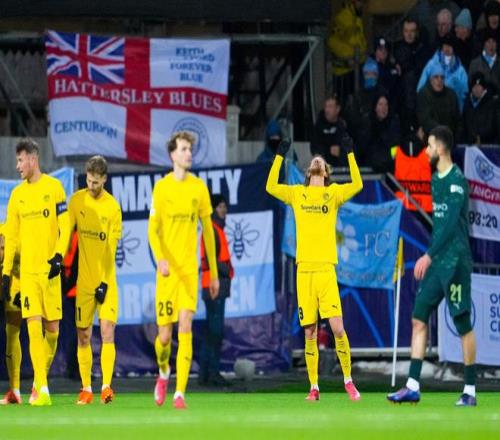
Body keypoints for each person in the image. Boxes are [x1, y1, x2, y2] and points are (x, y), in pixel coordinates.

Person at [266, 137, 363, 402]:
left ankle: (348, 381)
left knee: (338, 328)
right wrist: (279, 156)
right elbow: (271, 186)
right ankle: (314, 387)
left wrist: (350, 153)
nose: (317, 160)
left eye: (321, 161)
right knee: (309, 331)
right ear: (309, 172)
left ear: (326, 172)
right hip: (304, 272)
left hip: (326, 271)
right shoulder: (298, 193)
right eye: (314, 160)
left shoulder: (333, 194)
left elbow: (357, 184)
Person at [387, 125, 477, 407]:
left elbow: (449, 226)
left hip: (456, 262)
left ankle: (470, 390)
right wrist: (432, 257)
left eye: (429, 145)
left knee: (462, 323)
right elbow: (439, 226)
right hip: (438, 263)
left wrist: (427, 255)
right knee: (418, 318)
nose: (425, 151)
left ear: (440, 148)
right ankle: (412, 386)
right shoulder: (435, 179)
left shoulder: (457, 181)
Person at [148, 131, 219, 409]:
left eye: (190, 149)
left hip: (189, 272)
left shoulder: (198, 188)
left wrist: (213, 273)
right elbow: (152, 231)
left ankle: (179, 393)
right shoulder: (161, 188)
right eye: (184, 149)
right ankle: (164, 371)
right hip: (167, 274)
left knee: (186, 326)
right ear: (172, 154)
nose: (189, 153)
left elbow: (209, 233)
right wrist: (160, 259)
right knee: (164, 337)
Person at [1, 138, 70, 406]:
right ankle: (43, 391)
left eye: (20, 160)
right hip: (28, 274)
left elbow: (65, 224)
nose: (17, 166)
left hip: (50, 272)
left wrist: (59, 255)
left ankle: (38, 383)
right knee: (33, 326)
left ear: (33, 159)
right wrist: (6, 273)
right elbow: (11, 238)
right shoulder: (17, 195)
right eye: (17, 161)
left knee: (52, 332)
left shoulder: (54, 188)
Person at [67, 155, 122, 405]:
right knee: (84, 335)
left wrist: (104, 282)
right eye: (89, 181)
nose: (92, 186)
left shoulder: (112, 208)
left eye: (96, 182)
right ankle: (87, 388)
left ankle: (106, 387)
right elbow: (65, 234)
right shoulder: (77, 201)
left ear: (104, 179)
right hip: (85, 282)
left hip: (106, 281)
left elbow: (111, 249)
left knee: (107, 331)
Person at [198, 194, 234, 387]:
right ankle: (212, 373)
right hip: (213, 286)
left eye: (224, 206)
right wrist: (226, 270)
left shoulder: (216, 229)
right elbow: (208, 260)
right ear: (213, 209)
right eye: (220, 206)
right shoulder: (211, 229)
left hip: (215, 285)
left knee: (211, 331)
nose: (224, 210)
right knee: (215, 332)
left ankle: (205, 374)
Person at [393, 18, 433, 136]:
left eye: (412, 31)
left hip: (421, 99)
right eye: (406, 31)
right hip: (403, 101)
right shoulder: (396, 50)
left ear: (416, 32)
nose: (409, 34)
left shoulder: (424, 50)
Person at [0, 225, 23, 404]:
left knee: (12, 333)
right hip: (8, 282)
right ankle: (14, 390)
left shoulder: (20, 232)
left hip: (19, 282)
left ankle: (39, 386)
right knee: (11, 334)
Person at [417, 34, 469, 111]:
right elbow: (421, 85)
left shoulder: (460, 70)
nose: (447, 48)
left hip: (451, 108)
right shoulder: (432, 64)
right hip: (432, 106)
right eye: (445, 45)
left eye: (450, 46)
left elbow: (465, 93)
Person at [416, 63, 461, 138]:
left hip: (450, 138)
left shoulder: (451, 94)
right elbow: (425, 120)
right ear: (430, 79)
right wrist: (443, 132)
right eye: (436, 77)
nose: (439, 80)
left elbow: (457, 119)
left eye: (442, 77)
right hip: (431, 137)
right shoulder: (423, 94)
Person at [311, 95, 350, 168]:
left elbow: (351, 148)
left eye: (330, 106)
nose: (327, 110)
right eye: (326, 106)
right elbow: (315, 146)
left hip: (342, 168)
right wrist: (326, 151)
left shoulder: (344, 126)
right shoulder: (319, 126)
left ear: (337, 109)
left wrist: (341, 152)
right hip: (323, 167)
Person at [462, 71, 500, 144]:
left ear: (484, 88)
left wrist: (479, 137)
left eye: (479, 86)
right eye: (474, 86)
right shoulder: (467, 103)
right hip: (470, 144)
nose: (477, 89)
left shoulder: (492, 104)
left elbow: (491, 127)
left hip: (488, 144)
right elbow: (463, 125)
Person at [469, 29, 500, 96]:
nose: (491, 45)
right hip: (480, 101)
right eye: (488, 42)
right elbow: (470, 87)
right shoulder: (475, 64)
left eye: (493, 41)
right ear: (484, 44)